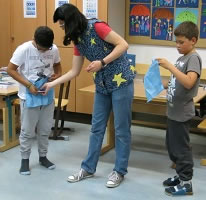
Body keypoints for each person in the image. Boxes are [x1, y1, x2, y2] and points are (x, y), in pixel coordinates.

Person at [42, 3, 136, 188]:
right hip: (102, 86)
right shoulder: (77, 39)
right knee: (96, 128)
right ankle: (88, 168)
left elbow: (123, 45)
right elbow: (74, 72)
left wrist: (102, 61)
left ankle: (119, 171)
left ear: (70, 20)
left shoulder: (97, 26)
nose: (62, 28)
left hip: (121, 83)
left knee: (121, 129)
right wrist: (51, 84)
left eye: (62, 24)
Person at [7, 26, 62, 175]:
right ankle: (24, 161)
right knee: (27, 131)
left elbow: (58, 66)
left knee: (45, 129)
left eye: (47, 48)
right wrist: (28, 85)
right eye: (41, 49)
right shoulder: (23, 49)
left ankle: (43, 157)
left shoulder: (54, 49)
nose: (45, 51)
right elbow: (10, 69)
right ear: (34, 40)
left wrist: (57, 75)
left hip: (47, 95)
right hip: (29, 96)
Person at [156, 21, 202, 196]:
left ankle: (186, 183)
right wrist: (159, 83)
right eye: (176, 42)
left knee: (182, 149)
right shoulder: (182, 58)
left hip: (182, 113)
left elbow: (189, 82)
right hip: (173, 112)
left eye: (181, 42)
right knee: (172, 146)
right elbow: (176, 81)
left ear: (193, 40)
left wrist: (170, 66)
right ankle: (179, 176)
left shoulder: (194, 58)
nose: (177, 46)